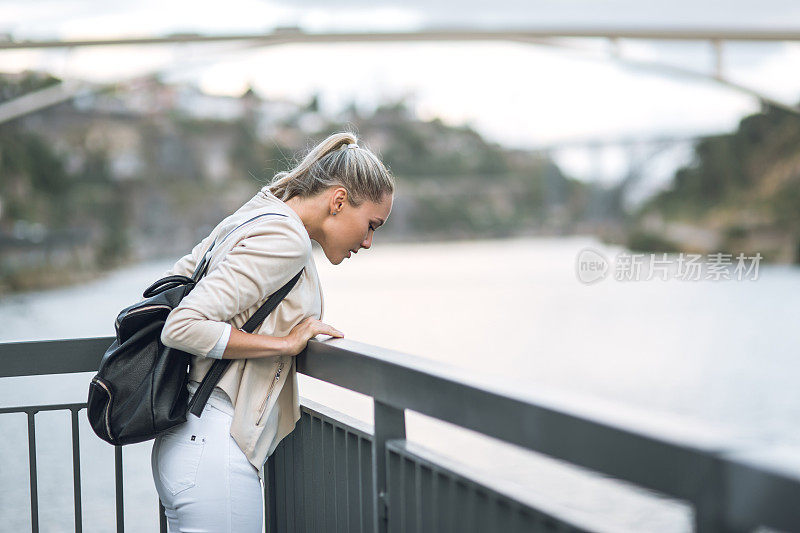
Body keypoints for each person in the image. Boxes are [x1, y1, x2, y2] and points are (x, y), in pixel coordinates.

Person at [150, 131, 395, 532]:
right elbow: (182, 325)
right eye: (371, 225)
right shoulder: (286, 239)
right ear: (338, 200)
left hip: (186, 439)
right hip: (215, 449)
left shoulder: (258, 213)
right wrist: (284, 343)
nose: (368, 242)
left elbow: (176, 282)